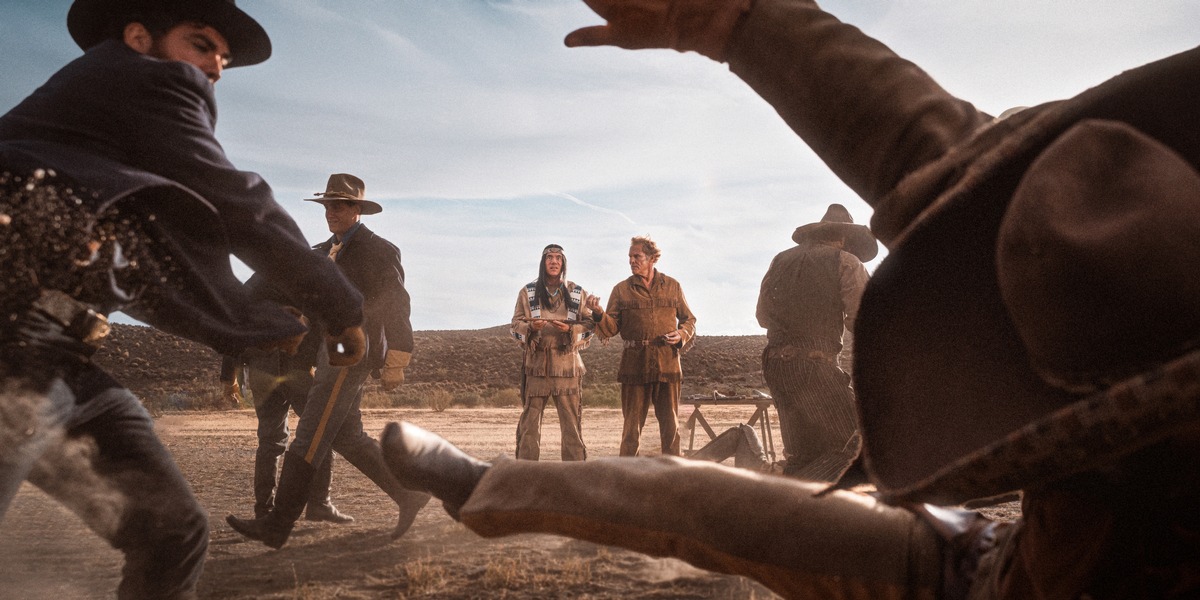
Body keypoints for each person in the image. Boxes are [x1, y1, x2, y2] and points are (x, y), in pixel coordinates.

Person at [374, 1, 1200, 599]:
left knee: (754, 493)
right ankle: (492, 487)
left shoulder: (771, 263)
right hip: (984, 552)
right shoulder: (1107, 223)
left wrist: (739, 22)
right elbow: (928, 149)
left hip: (984, 554)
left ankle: (489, 487)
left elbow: (774, 303)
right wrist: (737, 22)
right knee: (746, 489)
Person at [0, 1, 367, 598]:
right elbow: (236, 203)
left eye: (223, 57)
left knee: (173, 534)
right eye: (201, 44)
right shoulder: (145, 79)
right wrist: (340, 308)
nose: (217, 66)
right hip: (12, 348)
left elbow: (154, 268)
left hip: (58, 358)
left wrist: (253, 323)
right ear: (138, 36)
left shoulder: (98, 129)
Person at [227, 173, 431, 549]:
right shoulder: (321, 252)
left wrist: (398, 358)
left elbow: (397, 303)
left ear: (357, 210)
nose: (330, 212)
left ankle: (278, 524)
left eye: (338, 206)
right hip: (325, 352)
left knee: (311, 432)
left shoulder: (379, 250)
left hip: (349, 352)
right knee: (347, 436)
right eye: (327, 206)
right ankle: (409, 494)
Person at [219, 275, 353, 523]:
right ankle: (319, 503)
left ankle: (264, 510)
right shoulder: (300, 275)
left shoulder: (252, 285)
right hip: (295, 366)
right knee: (318, 434)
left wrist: (229, 378)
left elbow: (232, 329)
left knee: (270, 440)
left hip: (261, 367)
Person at [756, 203, 875, 481]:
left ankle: (787, 496)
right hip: (815, 366)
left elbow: (762, 316)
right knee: (853, 448)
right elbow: (864, 322)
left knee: (801, 454)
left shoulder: (779, 260)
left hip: (775, 364)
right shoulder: (846, 261)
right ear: (843, 238)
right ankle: (792, 496)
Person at [589, 236, 697, 457]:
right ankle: (627, 474)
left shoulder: (673, 286)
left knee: (671, 428)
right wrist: (599, 313)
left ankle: (672, 473)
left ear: (652, 258)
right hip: (634, 364)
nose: (631, 261)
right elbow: (610, 328)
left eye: (637, 256)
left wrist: (681, 334)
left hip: (667, 363)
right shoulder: (621, 290)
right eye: (630, 257)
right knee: (631, 429)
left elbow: (689, 320)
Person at [509, 244, 599, 461]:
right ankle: (526, 473)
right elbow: (514, 326)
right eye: (549, 257)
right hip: (536, 367)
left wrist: (570, 329)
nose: (554, 261)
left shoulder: (577, 293)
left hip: (567, 367)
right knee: (529, 427)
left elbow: (590, 326)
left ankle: (574, 474)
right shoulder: (528, 292)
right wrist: (531, 328)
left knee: (571, 426)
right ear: (543, 263)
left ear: (563, 263)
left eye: (558, 258)